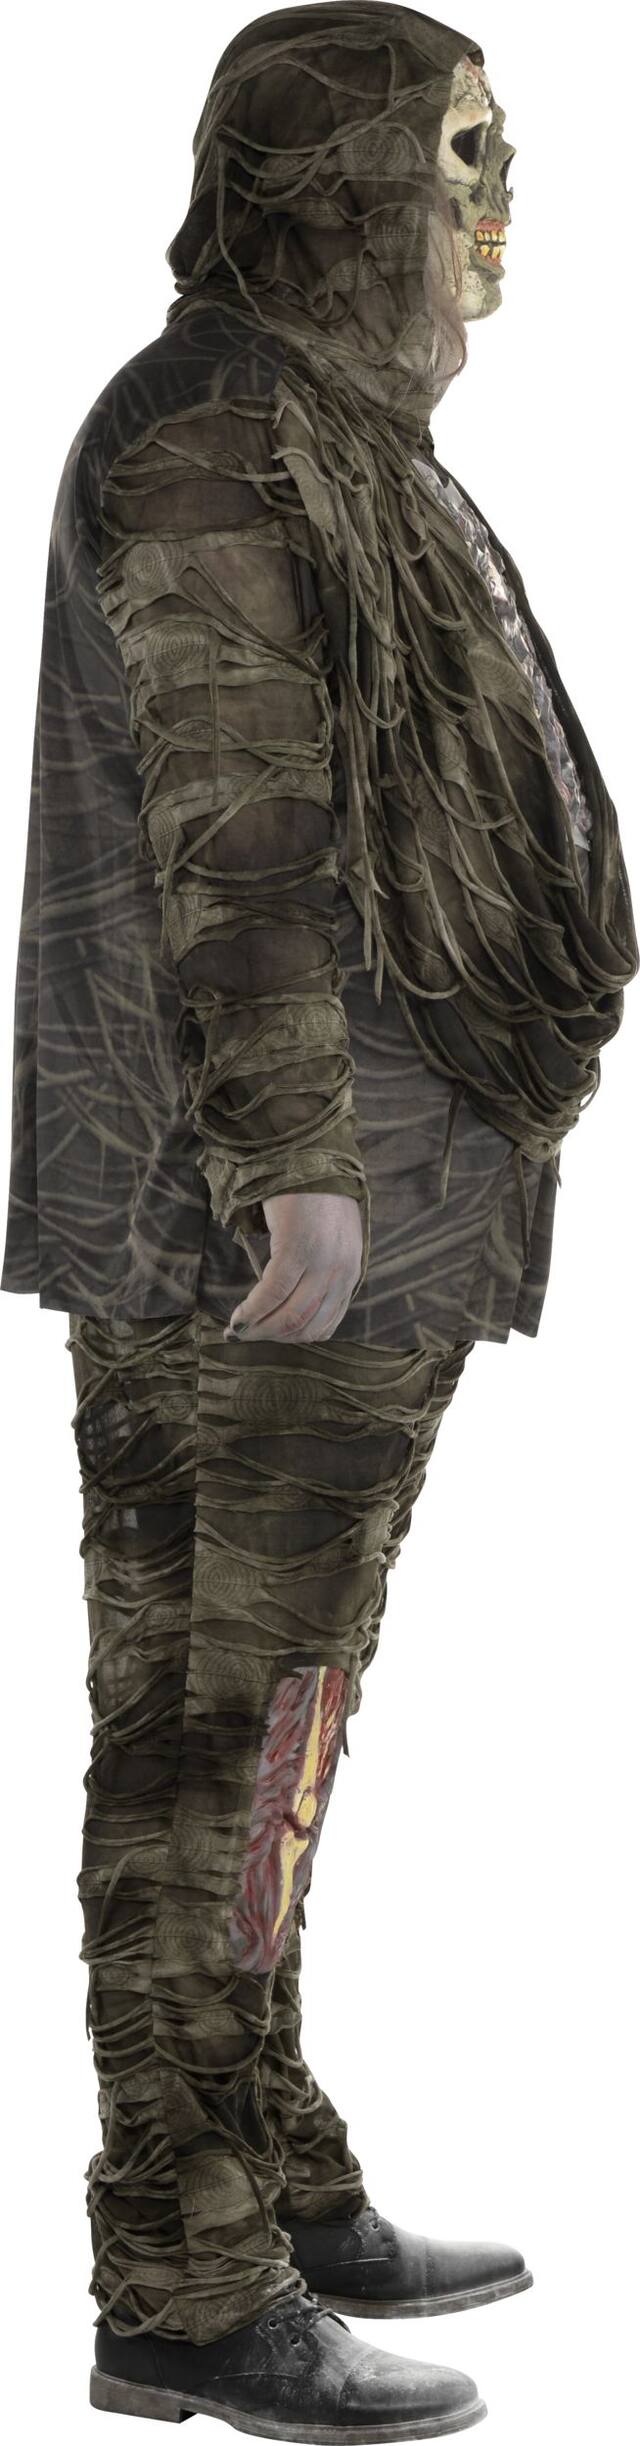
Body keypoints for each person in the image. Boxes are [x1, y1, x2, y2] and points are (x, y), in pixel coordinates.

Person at [1, 7, 636, 2437]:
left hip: (332, 1200)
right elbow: (234, 825)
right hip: (255, 1233)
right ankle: (181, 2272)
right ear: (338, 184)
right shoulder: (213, 442)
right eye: (461, 158)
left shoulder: (321, 431)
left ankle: (259, 2156)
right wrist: (295, 1156)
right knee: (211, 1735)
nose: (499, 211)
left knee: (265, 1712)